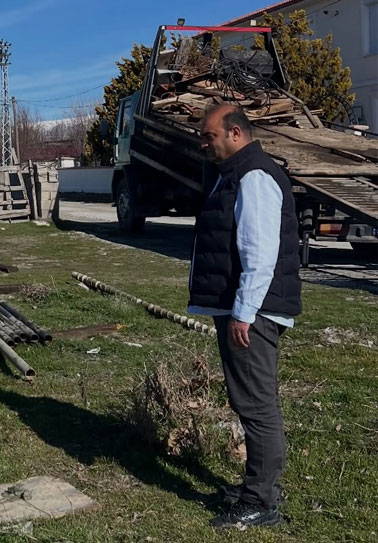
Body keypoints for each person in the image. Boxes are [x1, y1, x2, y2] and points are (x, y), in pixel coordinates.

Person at [189, 105, 301, 528]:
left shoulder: (253, 176)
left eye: (208, 135)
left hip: (253, 313)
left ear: (235, 133)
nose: (204, 142)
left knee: (256, 405)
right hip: (246, 309)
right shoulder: (236, 172)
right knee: (251, 400)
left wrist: (244, 313)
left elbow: (259, 252)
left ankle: (260, 501)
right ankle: (261, 486)